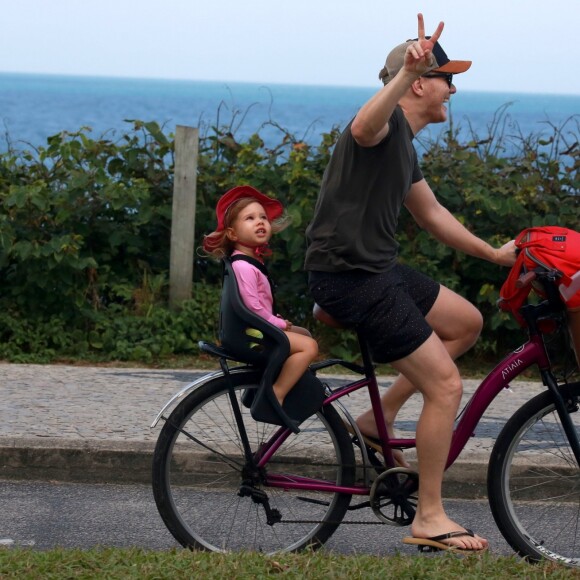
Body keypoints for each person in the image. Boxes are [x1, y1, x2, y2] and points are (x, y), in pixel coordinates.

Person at [304, 13, 516, 552]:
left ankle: (380, 420)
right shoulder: (381, 129)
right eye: (448, 79)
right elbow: (361, 126)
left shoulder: (405, 145)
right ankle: (430, 515)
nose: (453, 89)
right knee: (445, 385)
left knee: (466, 322)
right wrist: (403, 73)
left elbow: (432, 215)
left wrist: (495, 254)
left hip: (375, 270)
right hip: (350, 278)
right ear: (419, 82)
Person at [204, 185, 319, 409]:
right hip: (253, 335)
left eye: (263, 217)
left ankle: (271, 380)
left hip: (254, 328)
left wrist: (274, 318)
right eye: (250, 218)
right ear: (232, 234)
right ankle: (276, 393)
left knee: (303, 334)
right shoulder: (244, 266)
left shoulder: (246, 261)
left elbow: (257, 305)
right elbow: (252, 307)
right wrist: (276, 322)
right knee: (309, 347)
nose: (260, 222)